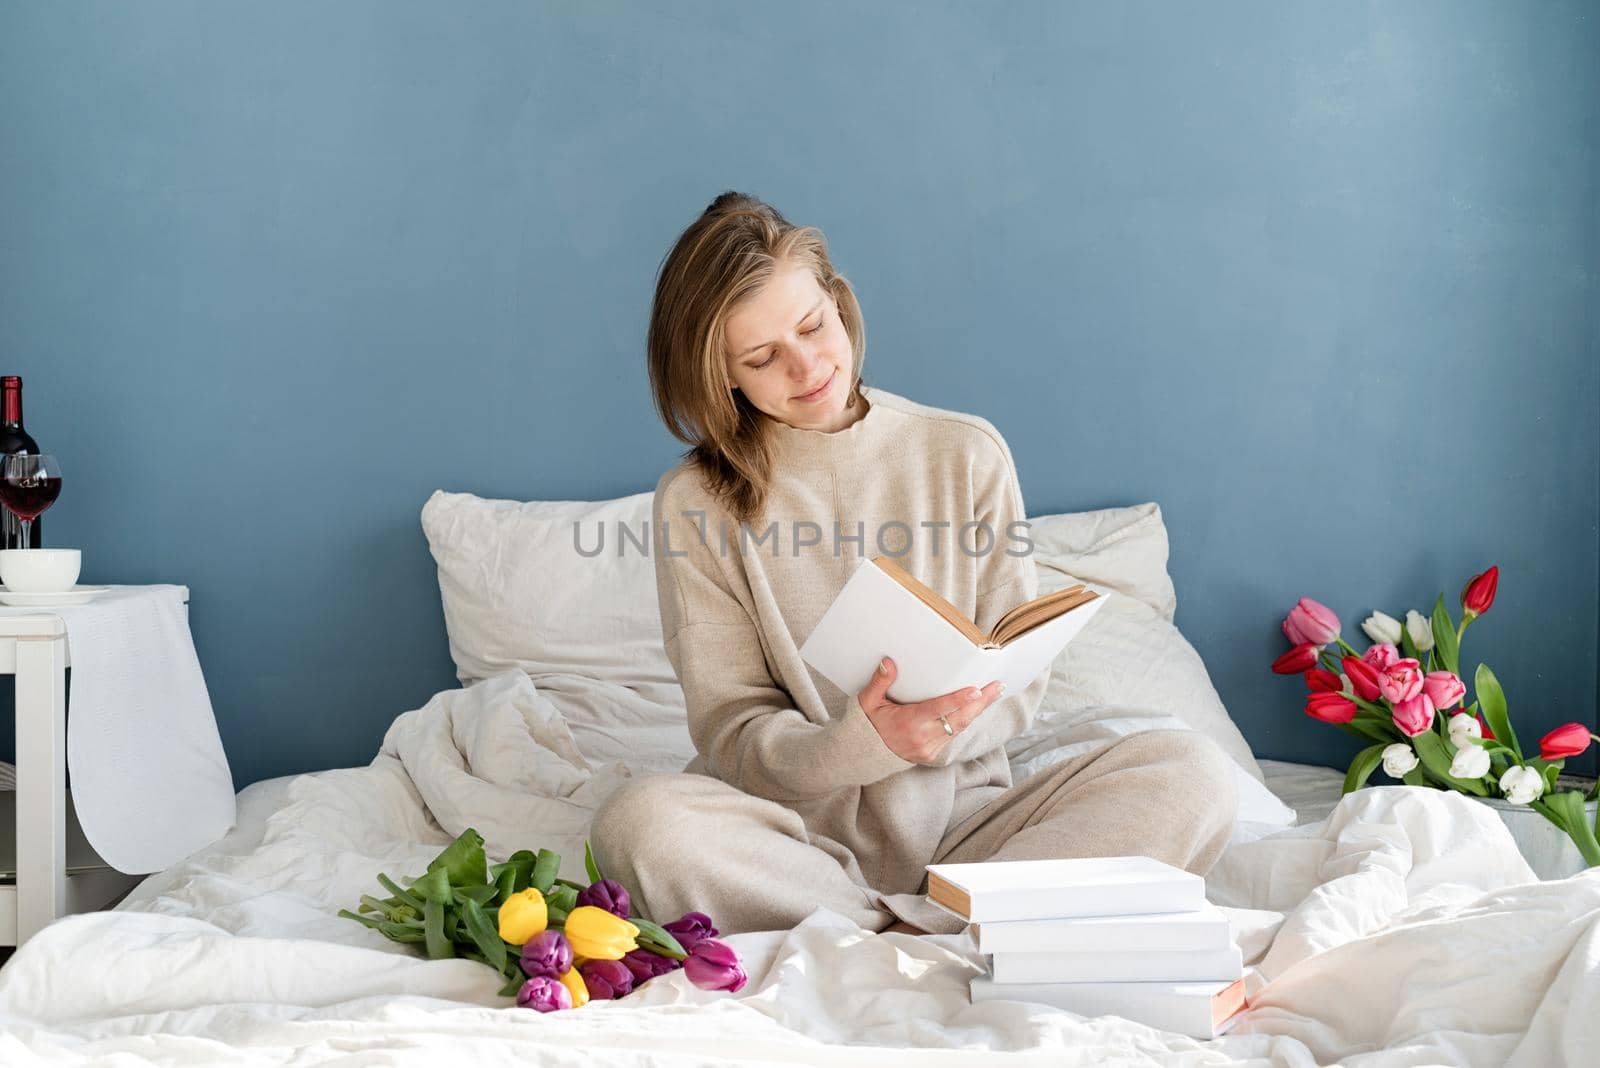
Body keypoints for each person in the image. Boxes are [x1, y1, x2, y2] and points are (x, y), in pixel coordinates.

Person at [589, 191, 1237, 937]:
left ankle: (898, 928)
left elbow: (1018, 689)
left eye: (813, 326)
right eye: (763, 357)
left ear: (840, 303)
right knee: (639, 826)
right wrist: (857, 744)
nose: (807, 366)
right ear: (720, 375)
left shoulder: (966, 453)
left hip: (969, 833)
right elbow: (733, 734)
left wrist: (935, 731)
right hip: (789, 840)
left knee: (1193, 774)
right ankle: (945, 931)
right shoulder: (695, 502)